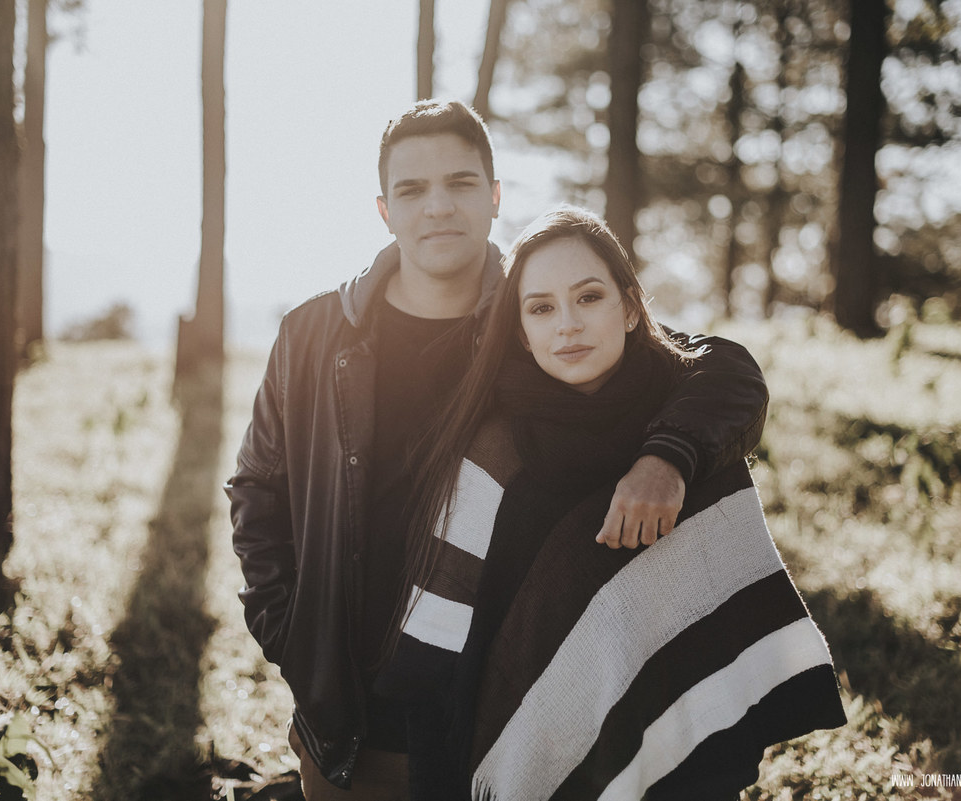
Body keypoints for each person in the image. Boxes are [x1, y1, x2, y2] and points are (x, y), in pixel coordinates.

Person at [226, 100, 770, 800]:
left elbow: (715, 368)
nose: (437, 208)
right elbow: (257, 488)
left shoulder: (540, 309)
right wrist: (291, 634)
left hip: (500, 709)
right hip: (348, 714)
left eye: (459, 183)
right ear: (384, 210)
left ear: (495, 195)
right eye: (412, 190)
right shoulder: (312, 335)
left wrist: (666, 456)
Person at [379, 207, 846, 800]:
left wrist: (666, 459)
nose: (567, 325)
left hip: (695, 753)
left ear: (629, 309)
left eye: (589, 297)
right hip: (530, 758)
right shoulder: (496, 459)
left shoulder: (685, 410)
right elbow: (438, 663)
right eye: (542, 307)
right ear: (522, 332)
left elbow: (730, 367)